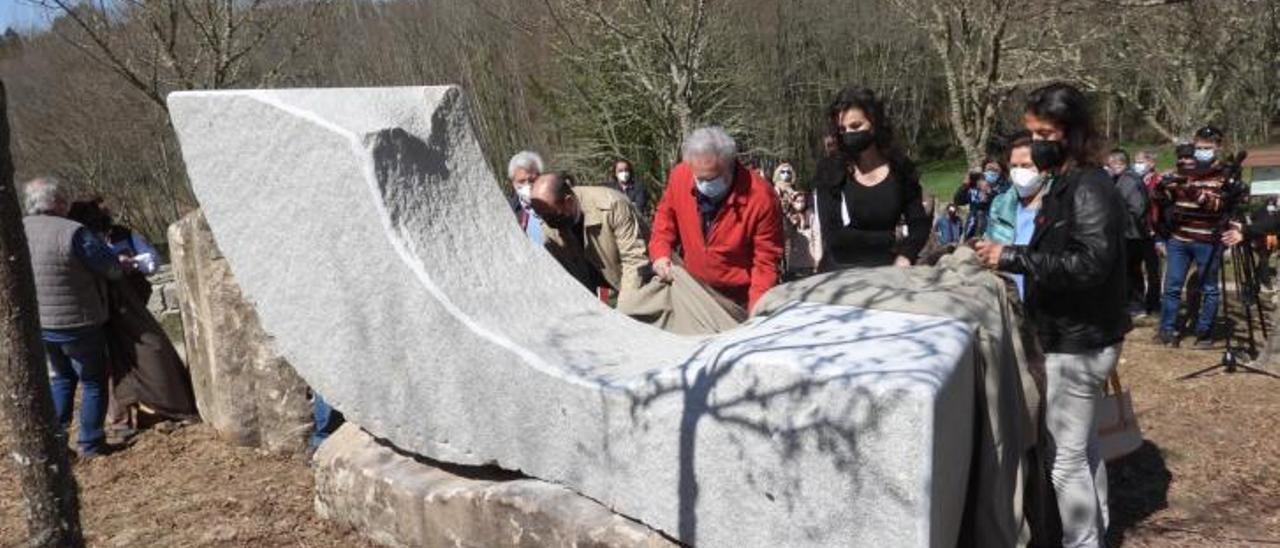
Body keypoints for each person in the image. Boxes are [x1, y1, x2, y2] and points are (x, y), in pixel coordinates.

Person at [974, 83, 1129, 548]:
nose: (1037, 141)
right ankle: (1097, 529)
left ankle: (1082, 541)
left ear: (1072, 133)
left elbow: (1090, 263)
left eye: (1046, 133)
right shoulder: (1065, 184)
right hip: (1070, 334)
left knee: (1064, 461)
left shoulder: (1088, 188)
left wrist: (1012, 258)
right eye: (1031, 132)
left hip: (1079, 342)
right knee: (1085, 447)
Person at [22, 177, 124, 458]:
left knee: (62, 379)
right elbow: (111, 269)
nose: (67, 203)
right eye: (64, 198)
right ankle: (91, 443)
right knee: (93, 381)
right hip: (78, 321)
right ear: (56, 202)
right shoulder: (73, 232)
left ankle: (55, 444)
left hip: (42, 323)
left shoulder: (17, 229)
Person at [649, 126, 784, 312]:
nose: (703, 184)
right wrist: (660, 253)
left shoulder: (761, 198)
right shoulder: (680, 175)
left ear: (730, 166)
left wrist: (757, 310)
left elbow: (766, 261)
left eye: (710, 178)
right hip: (694, 290)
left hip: (738, 300)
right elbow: (665, 217)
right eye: (698, 178)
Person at [812, 86, 930, 269]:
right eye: (843, 130)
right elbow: (833, 235)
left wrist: (907, 254)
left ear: (874, 123)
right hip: (840, 269)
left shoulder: (901, 169)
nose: (849, 134)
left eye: (856, 126)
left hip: (889, 269)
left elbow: (919, 223)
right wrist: (891, 238)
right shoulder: (831, 169)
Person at [1151, 127, 1231, 348]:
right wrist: (1161, 188)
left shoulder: (1224, 173)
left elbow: (1217, 205)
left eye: (1207, 148)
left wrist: (1192, 190)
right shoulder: (1184, 170)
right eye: (1198, 148)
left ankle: (1204, 332)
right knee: (1172, 287)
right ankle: (1167, 330)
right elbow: (1167, 200)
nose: (1201, 152)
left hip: (1207, 239)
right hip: (1179, 238)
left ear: (1217, 148)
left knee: (1209, 288)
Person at [529, 171, 649, 300]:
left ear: (568, 201)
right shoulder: (549, 228)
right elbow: (565, 275)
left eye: (551, 215)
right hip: (597, 298)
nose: (547, 221)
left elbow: (635, 260)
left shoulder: (612, 205)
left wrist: (626, 306)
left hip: (643, 287)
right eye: (540, 215)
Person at [982, 131, 1049, 300]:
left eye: (1026, 166)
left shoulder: (1059, 204)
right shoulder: (1000, 205)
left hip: (1047, 303)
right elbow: (989, 249)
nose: (1019, 172)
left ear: (1045, 168)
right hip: (1008, 302)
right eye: (1014, 166)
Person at [1107, 149, 1156, 317]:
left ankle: (1136, 304)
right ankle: (1130, 302)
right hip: (1128, 233)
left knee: (1131, 270)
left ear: (1118, 163)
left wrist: (1119, 219)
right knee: (1128, 271)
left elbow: (1137, 207)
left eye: (1110, 164)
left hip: (1132, 234)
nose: (1109, 168)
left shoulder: (1128, 181)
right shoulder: (1121, 179)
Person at [1133, 150, 1164, 314]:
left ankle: (1154, 302)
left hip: (1153, 230)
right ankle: (1137, 303)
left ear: (1151, 163)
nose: (1138, 165)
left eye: (1141, 161)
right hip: (1135, 231)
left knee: (1153, 269)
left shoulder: (1158, 181)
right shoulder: (1132, 179)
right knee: (1134, 268)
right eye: (1136, 161)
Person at [508, 151, 546, 245]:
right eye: (521, 181)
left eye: (532, 180)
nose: (528, 185)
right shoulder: (507, 209)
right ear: (513, 183)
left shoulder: (555, 202)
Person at [782, 190, 820, 279]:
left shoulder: (810, 215)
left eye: (802, 201)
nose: (800, 204)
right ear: (793, 202)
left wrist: (818, 258)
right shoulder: (789, 216)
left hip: (809, 260)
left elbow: (817, 236)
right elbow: (786, 236)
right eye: (797, 201)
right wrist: (790, 224)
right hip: (794, 262)